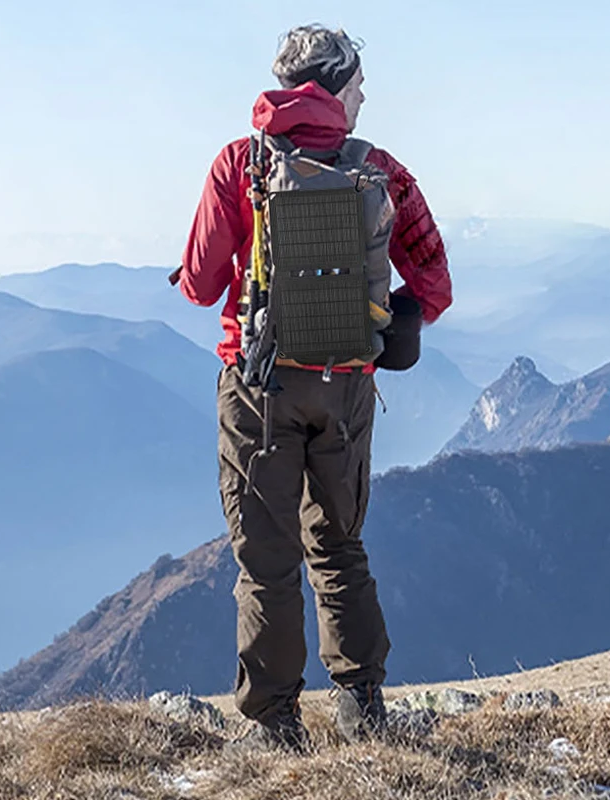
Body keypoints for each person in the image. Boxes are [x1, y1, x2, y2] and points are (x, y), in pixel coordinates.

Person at [179, 24, 452, 752]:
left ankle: (275, 725)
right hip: (346, 388)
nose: (364, 96)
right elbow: (434, 281)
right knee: (339, 545)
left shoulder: (239, 163)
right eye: (358, 83)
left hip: (258, 388)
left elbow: (204, 286)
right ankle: (362, 704)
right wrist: (388, 321)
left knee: (266, 560)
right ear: (332, 86)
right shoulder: (380, 171)